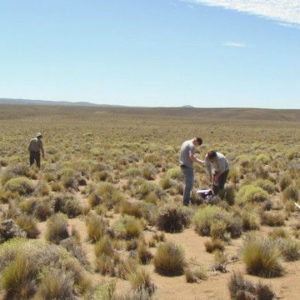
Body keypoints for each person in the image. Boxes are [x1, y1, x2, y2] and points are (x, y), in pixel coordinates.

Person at [179, 137, 203, 206]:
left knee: (189, 183)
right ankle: (185, 203)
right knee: (189, 185)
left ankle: (188, 198)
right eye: (197, 145)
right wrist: (200, 162)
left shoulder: (185, 142)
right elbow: (191, 157)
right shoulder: (192, 145)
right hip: (187, 167)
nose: (196, 146)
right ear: (196, 141)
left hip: (182, 164)